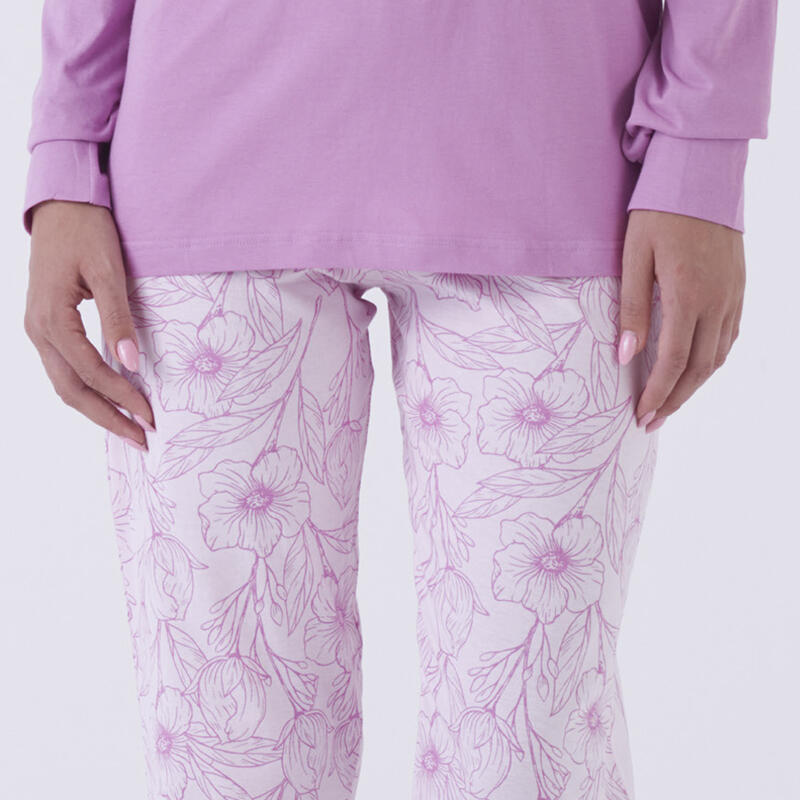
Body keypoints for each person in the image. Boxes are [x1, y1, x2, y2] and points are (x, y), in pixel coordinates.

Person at [21, 2, 777, 798]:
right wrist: (65, 147)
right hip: (201, 161)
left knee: (526, 750)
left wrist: (701, 154)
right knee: (227, 749)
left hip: (555, 142)